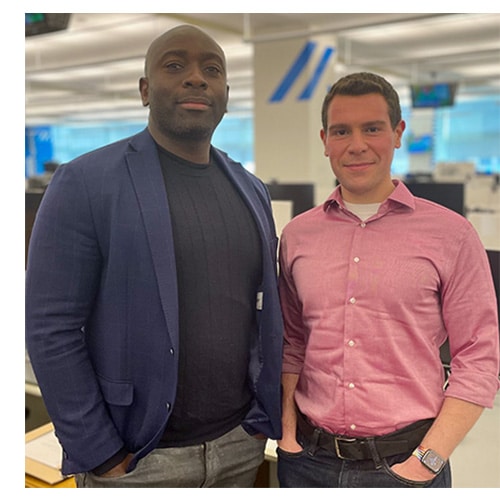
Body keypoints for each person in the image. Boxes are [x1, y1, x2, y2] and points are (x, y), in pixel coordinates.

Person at [25, 24, 283, 488]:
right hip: (138, 457)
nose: (196, 77)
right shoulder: (85, 183)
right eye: (175, 65)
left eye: (212, 70)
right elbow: (50, 327)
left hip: (239, 446)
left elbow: (259, 314)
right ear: (145, 90)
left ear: (226, 95)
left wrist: (259, 418)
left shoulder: (251, 190)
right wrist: (99, 451)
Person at [277, 72, 499, 488]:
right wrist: (288, 433)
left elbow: (479, 357)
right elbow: (293, 343)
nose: (357, 144)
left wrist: (426, 462)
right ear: (325, 140)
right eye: (341, 131)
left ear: (398, 133)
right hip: (307, 461)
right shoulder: (297, 236)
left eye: (372, 128)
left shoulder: (451, 235)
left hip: (406, 465)